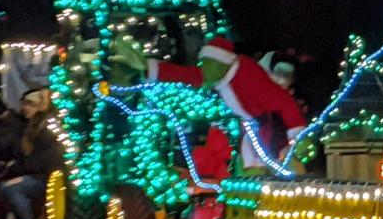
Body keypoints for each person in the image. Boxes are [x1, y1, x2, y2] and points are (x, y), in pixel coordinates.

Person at [112, 36, 306, 173]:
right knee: (249, 164)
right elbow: (189, 75)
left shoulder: (250, 78)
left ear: (223, 64)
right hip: (248, 127)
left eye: (208, 66)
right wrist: (148, 68)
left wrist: (297, 136)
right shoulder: (220, 77)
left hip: (269, 129)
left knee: (270, 165)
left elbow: (283, 102)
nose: (204, 71)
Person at [0, 88, 63, 219]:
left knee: (11, 188)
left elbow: (46, 161)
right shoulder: (28, 127)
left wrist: (20, 171)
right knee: (4, 185)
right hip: (33, 173)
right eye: (24, 105)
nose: (25, 108)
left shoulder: (48, 129)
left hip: (48, 177)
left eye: (30, 105)